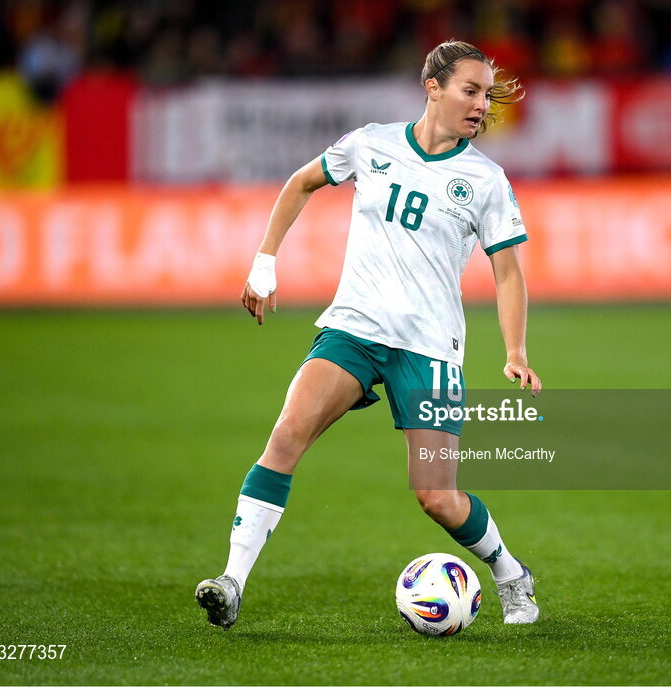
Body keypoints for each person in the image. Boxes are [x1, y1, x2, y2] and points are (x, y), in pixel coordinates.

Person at [195, 40, 542, 630]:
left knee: (437, 497)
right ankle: (231, 581)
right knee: (286, 435)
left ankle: (510, 572)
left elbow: (507, 271)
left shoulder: (486, 180)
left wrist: (515, 352)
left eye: (486, 94)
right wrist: (264, 261)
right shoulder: (372, 143)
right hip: (353, 328)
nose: (482, 104)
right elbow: (300, 183)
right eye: (471, 90)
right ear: (432, 85)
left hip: (430, 347)